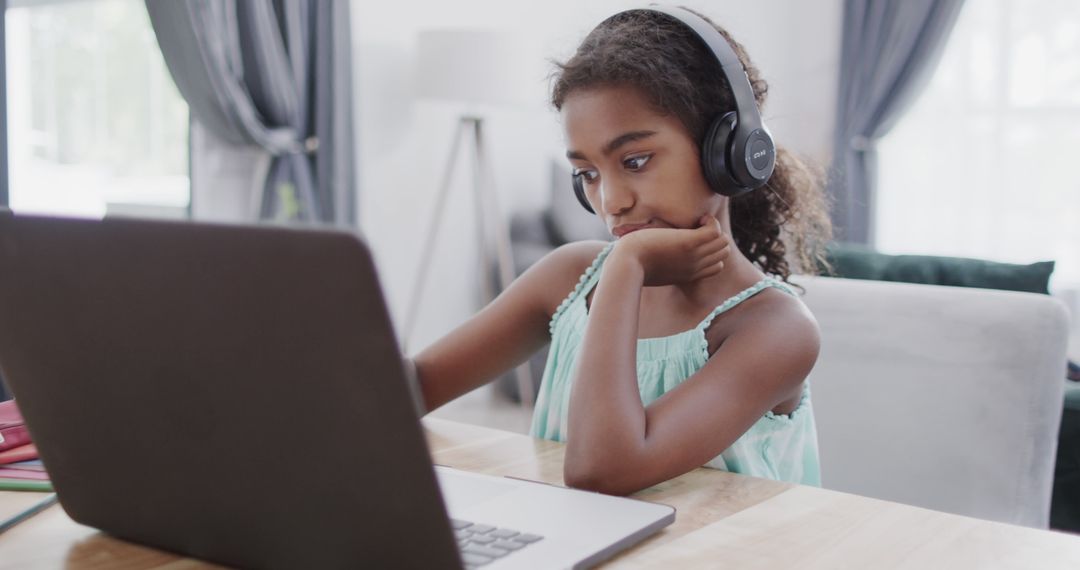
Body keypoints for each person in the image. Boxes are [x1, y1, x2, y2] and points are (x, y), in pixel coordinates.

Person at [408, 7, 833, 495]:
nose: (610, 202)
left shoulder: (777, 329)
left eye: (635, 161)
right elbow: (417, 384)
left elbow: (602, 470)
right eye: (587, 173)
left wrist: (626, 267)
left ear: (730, 152)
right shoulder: (569, 276)